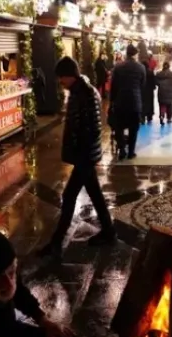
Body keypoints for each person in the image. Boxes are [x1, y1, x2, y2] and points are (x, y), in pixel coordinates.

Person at [39, 57, 116, 257]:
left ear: (69, 75)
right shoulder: (80, 91)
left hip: (85, 155)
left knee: (69, 196)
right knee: (96, 195)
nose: (60, 82)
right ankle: (109, 232)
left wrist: (82, 154)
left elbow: (90, 128)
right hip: (85, 154)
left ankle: (56, 243)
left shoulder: (85, 93)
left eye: (61, 78)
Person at [110, 45, 146, 160]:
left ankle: (121, 150)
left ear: (126, 53)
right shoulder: (140, 67)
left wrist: (112, 101)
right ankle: (131, 152)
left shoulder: (118, 67)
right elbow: (142, 85)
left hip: (120, 102)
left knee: (119, 127)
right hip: (135, 102)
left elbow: (113, 86)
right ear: (135, 54)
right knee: (133, 128)